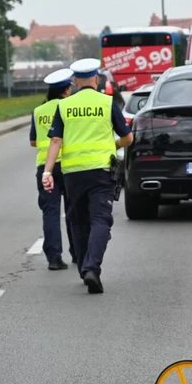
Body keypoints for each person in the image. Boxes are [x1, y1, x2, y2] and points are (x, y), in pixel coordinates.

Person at [42, 58, 134, 294]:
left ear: (74, 82)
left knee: (78, 220)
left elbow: (55, 140)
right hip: (101, 171)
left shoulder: (64, 106)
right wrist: (112, 144)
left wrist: (48, 171)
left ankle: (85, 266)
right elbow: (128, 138)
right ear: (96, 79)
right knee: (101, 220)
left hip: (73, 174)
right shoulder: (107, 102)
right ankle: (92, 267)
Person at [31, 68, 77, 271]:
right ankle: (77, 252)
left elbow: (33, 141)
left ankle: (54, 258)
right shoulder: (69, 107)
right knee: (73, 210)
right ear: (66, 90)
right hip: (68, 165)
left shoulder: (38, 111)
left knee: (50, 212)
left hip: (45, 167)